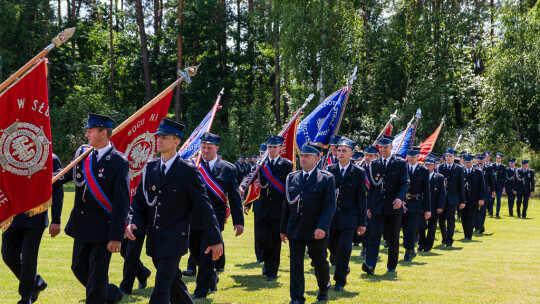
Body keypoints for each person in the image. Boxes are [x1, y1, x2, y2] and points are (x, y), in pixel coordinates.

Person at [126, 119, 223, 304]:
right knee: (174, 284)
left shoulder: (187, 171)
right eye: (158, 137)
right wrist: (132, 220)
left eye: (164, 137)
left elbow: (204, 207)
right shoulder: (150, 168)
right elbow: (139, 202)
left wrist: (215, 239)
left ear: (176, 141)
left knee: (161, 289)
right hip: (155, 238)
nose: (159, 140)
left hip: (175, 239)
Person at [54, 113, 129, 303]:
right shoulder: (83, 154)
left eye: (90, 131)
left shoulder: (119, 162)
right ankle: (111, 294)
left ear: (103, 133)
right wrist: (42, 183)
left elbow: (122, 203)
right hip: (82, 225)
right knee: (78, 268)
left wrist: (116, 236)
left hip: (103, 229)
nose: (87, 135)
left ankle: (100, 297)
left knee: (96, 275)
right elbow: (65, 176)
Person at [2, 154, 63, 304]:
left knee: (29, 259)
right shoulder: (9, 155)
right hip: (13, 216)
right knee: (8, 255)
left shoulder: (50, 158)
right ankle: (36, 282)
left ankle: (25, 298)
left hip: (35, 217)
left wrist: (56, 220)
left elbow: (57, 190)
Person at [190, 132, 244, 299]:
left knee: (207, 254)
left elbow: (234, 196)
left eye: (209, 148)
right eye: (203, 147)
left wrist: (239, 221)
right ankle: (212, 278)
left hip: (214, 219)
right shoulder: (192, 165)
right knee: (195, 253)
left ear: (216, 148)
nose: (205, 151)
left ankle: (200, 292)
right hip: (193, 218)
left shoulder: (228, 168)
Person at [281, 143, 336, 304]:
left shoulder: (326, 178)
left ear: (317, 158)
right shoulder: (292, 177)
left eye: (306, 156)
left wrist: (322, 227)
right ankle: (297, 297)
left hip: (316, 230)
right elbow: (287, 204)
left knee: (319, 262)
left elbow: (329, 205)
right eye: (301, 156)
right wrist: (283, 229)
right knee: (296, 265)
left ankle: (324, 287)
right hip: (295, 228)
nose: (302, 159)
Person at [240, 135, 293, 281]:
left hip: (278, 208)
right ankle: (267, 261)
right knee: (262, 239)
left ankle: (272, 270)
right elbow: (250, 175)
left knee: (275, 241)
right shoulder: (260, 162)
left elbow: (290, 185)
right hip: (262, 207)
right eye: (269, 147)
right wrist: (244, 185)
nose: (271, 150)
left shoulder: (287, 164)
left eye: (274, 147)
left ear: (280, 148)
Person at [362, 135, 409, 275]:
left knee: (393, 237)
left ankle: (391, 266)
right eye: (380, 147)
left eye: (385, 147)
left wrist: (400, 199)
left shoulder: (400, 163)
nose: (382, 150)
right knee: (374, 235)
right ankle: (370, 265)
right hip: (378, 206)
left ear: (391, 147)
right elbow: (371, 188)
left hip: (394, 206)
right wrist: (369, 207)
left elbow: (405, 183)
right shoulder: (374, 164)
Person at [326, 138, 366, 291]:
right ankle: (342, 265)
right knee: (332, 247)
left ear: (351, 153)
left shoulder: (358, 173)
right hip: (332, 217)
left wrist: (362, 223)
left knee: (345, 248)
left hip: (349, 218)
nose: (340, 153)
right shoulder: (330, 170)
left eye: (344, 151)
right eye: (339, 150)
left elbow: (362, 199)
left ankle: (340, 280)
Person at [402, 147, 430, 262]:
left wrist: (427, 209)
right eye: (409, 156)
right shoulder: (403, 168)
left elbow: (426, 191)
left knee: (411, 228)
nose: (411, 158)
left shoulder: (423, 171)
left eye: (414, 156)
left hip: (416, 202)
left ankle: (408, 252)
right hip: (403, 202)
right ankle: (411, 249)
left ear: (418, 157)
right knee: (404, 227)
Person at [243, 143, 268, 263]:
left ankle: (268, 256)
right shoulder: (256, 166)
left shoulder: (271, 166)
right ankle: (260, 256)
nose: (262, 155)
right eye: (261, 153)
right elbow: (251, 186)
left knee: (269, 234)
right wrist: (248, 204)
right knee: (258, 234)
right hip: (257, 204)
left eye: (264, 153)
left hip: (270, 204)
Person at [436, 148, 465, 247]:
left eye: (450, 156)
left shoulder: (459, 169)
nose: (448, 158)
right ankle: (444, 237)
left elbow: (461, 186)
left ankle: (449, 239)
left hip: (453, 198)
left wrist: (462, 201)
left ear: (454, 157)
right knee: (441, 219)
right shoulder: (440, 168)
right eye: (447, 156)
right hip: (441, 199)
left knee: (451, 219)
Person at [417, 156, 446, 252]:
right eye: (426, 164)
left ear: (434, 165)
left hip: (434, 205)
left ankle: (428, 245)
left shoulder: (439, 177)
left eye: (430, 164)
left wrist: (440, 206)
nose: (428, 166)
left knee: (432, 227)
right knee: (420, 225)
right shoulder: (420, 176)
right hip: (421, 205)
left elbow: (442, 193)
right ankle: (421, 243)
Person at [360, 145, 378, 257]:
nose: (367, 157)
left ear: (376, 156)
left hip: (373, 201)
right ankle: (364, 246)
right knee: (362, 224)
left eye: (370, 156)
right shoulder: (360, 168)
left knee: (371, 226)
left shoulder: (377, 168)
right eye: (366, 155)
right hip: (362, 200)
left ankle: (369, 247)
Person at [461, 155, 485, 240]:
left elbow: (482, 187)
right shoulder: (461, 171)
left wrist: (481, 198)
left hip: (474, 199)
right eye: (466, 162)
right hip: (463, 199)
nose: (468, 164)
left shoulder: (478, 172)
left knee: (471, 217)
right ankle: (466, 233)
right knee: (464, 217)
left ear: (472, 162)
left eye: (469, 162)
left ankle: (469, 235)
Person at [475, 154, 494, 234]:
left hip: (485, 192)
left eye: (482, 159)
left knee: (482, 210)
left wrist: (493, 191)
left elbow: (491, 180)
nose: (480, 161)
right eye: (479, 159)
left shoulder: (488, 168)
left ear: (485, 160)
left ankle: (479, 226)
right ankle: (478, 226)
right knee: (475, 211)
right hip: (475, 193)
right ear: (476, 160)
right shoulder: (473, 168)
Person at [493, 153, 506, 217]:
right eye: (497, 158)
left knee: (498, 199)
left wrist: (504, 187)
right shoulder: (492, 165)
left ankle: (497, 212)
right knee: (492, 199)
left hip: (500, 185)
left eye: (499, 158)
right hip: (493, 185)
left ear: (501, 159)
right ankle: (491, 211)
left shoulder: (503, 167)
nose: (498, 159)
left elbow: (504, 178)